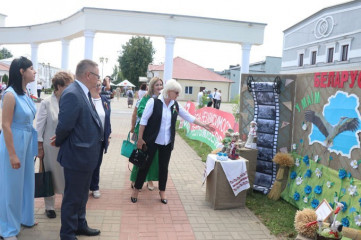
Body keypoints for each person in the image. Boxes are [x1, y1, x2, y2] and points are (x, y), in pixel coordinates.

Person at [130, 79, 215, 204]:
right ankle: (136, 189)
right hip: (151, 141)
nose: (178, 95)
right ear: (169, 92)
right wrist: (140, 139)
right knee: (144, 165)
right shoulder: (153, 102)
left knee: (164, 167)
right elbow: (143, 121)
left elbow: (188, 116)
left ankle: (162, 191)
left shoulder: (175, 104)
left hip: (167, 142)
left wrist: (203, 125)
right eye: (176, 92)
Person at [52, 59, 103, 240]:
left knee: (81, 197)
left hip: (87, 155)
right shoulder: (73, 94)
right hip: (77, 156)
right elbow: (64, 126)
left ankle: (80, 225)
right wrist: (58, 141)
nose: (99, 80)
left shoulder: (84, 93)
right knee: (72, 198)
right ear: (88, 75)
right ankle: (67, 233)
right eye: (98, 75)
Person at [0, 57, 37, 240]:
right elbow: (5, 125)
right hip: (13, 143)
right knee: (11, 187)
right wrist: (13, 154)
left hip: (27, 142)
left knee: (27, 183)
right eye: (31, 68)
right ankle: (7, 229)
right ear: (21, 71)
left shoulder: (25, 92)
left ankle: (25, 217)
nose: (34, 71)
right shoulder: (9, 95)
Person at [36, 71, 74, 219]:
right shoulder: (46, 102)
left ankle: (66, 203)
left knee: (67, 175)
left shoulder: (71, 101)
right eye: (68, 86)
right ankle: (49, 206)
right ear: (58, 86)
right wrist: (39, 148)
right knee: (50, 175)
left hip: (67, 146)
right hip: (50, 148)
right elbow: (39, 127)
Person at [129, 77, 163, 191]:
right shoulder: (145, 98)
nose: (159, 87)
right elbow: (138, 112)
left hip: (155, 133)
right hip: (142, 132)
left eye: (161, 85)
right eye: (157, 85)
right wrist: (132, 128)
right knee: (139, 155)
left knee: (153, 157)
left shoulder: (162, 99)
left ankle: (149, 179)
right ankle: (134, 179)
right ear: (152, 86)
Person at [89, 79, 112, 199]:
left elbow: (107, 119)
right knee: (88, 163)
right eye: (95, 85)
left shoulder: (104, 100)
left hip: (101, 138)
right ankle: (85, 185)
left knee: (97, 163)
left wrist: (108, 134)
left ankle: (95, 186)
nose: (98, 87)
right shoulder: (87, 100)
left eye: (99, 85)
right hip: (88, 138)